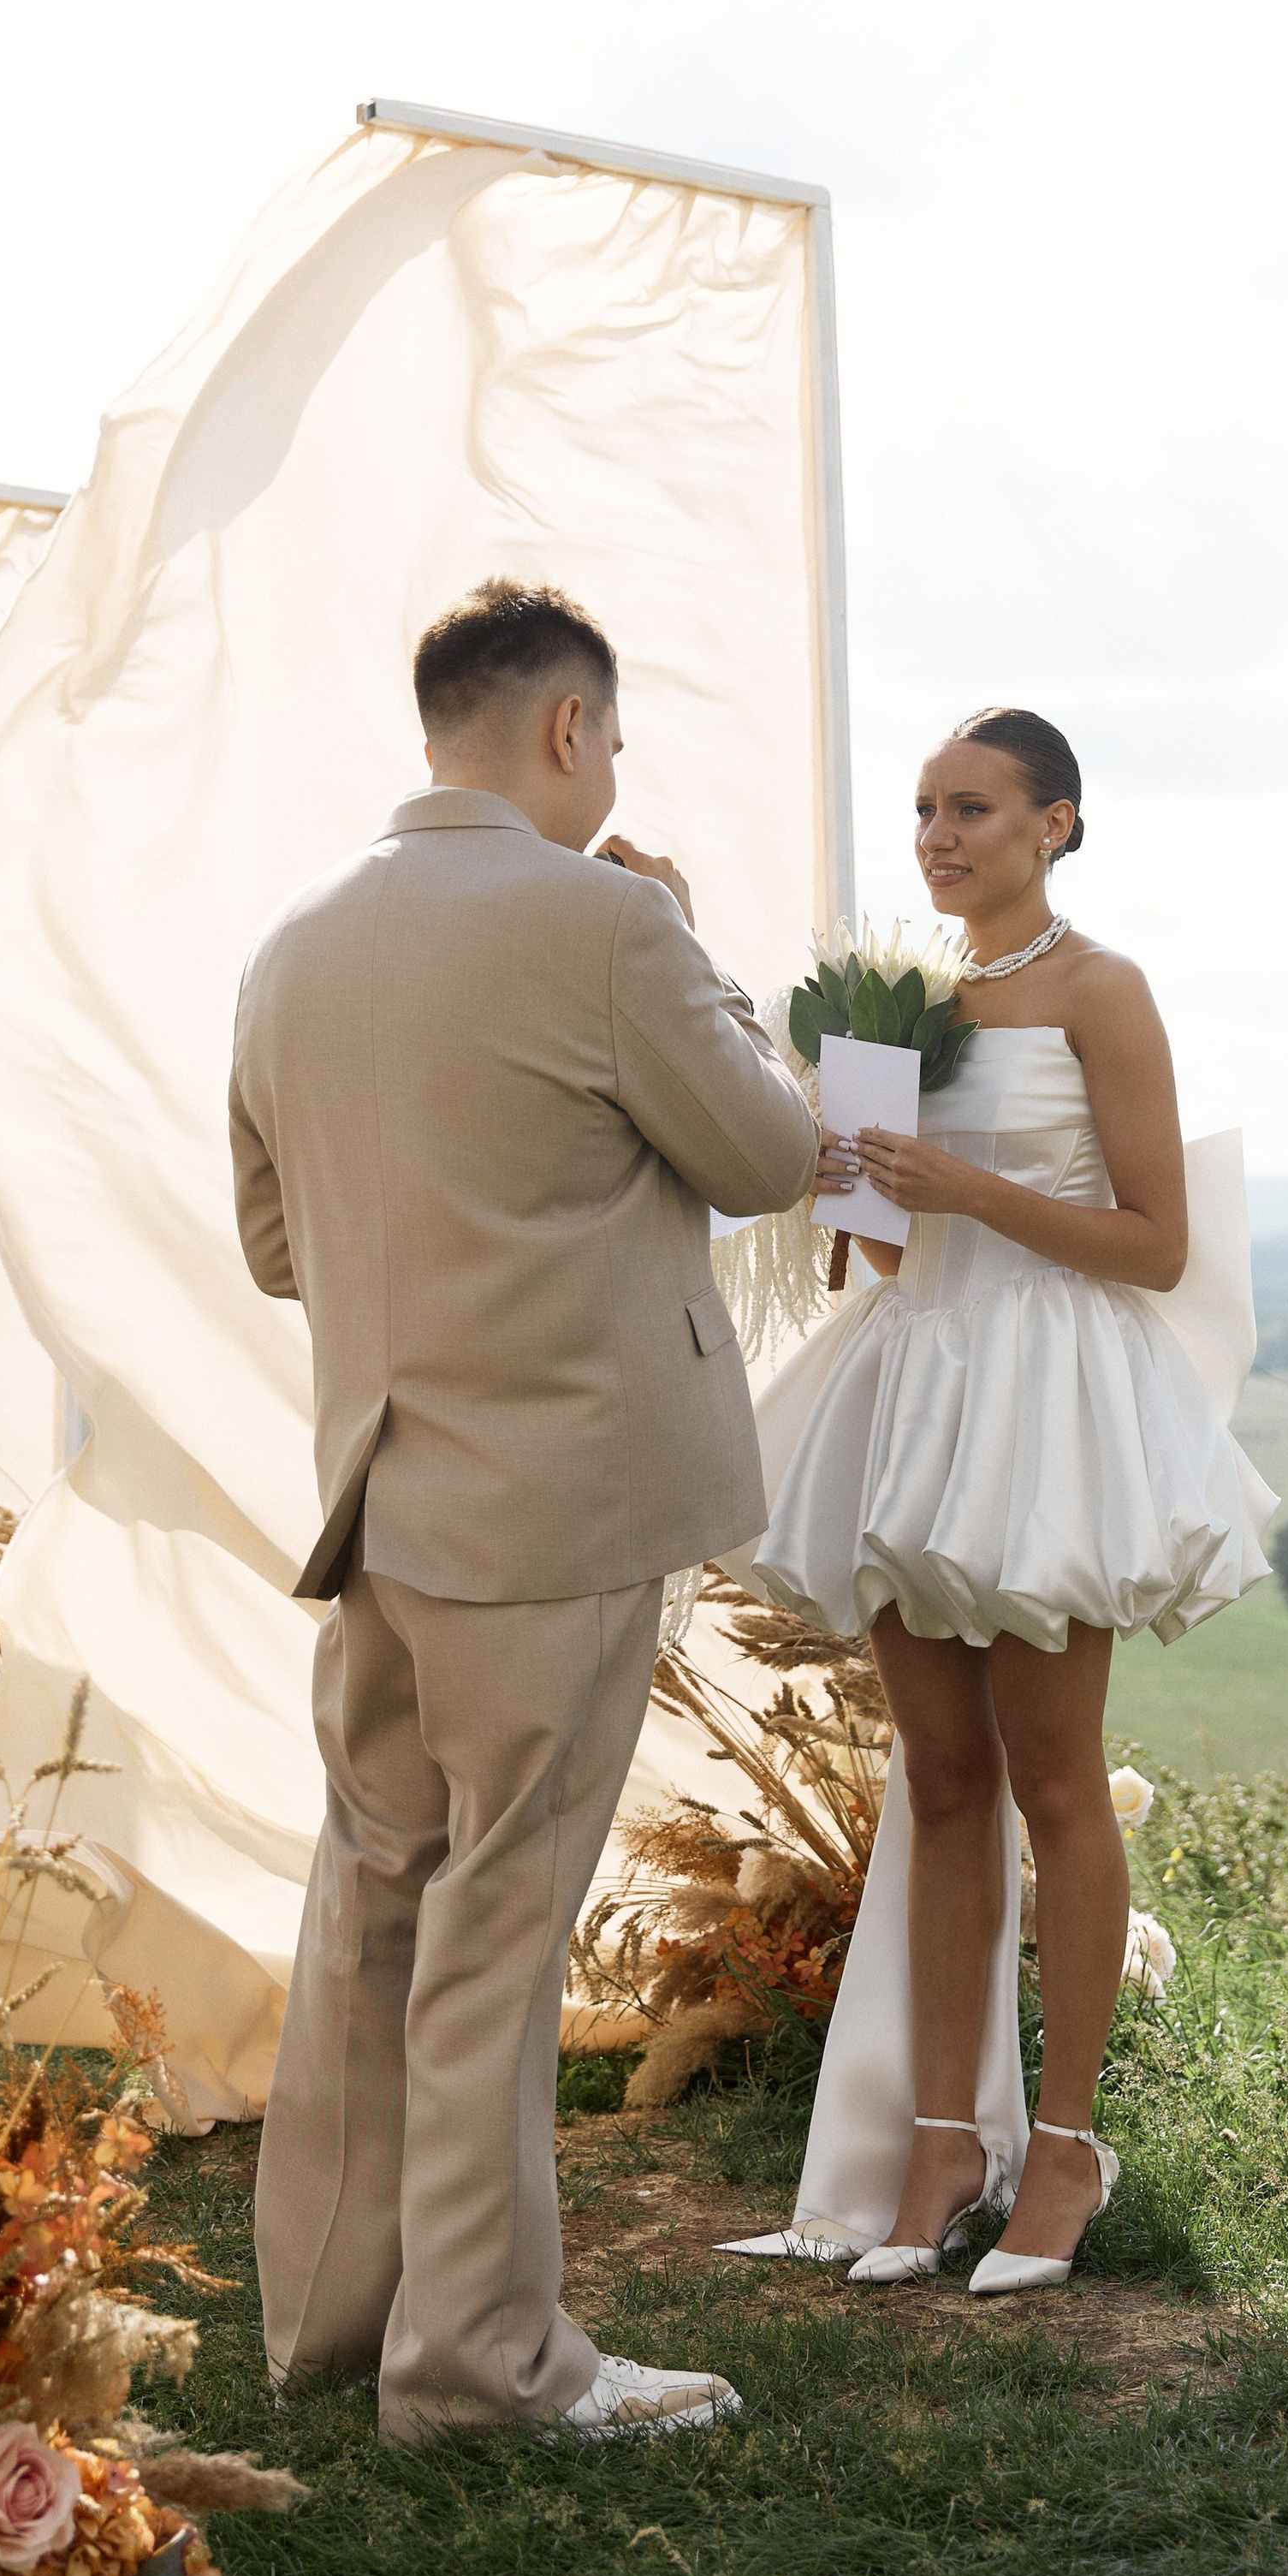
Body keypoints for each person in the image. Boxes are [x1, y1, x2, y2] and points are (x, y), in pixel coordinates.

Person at [231, 579, 819, 2440]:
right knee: (494, 1929)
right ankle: (481, 2366)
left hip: (376, 1503)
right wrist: (679, 939)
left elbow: (271, 1244)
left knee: (373, 1907)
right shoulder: (606, 922)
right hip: (548, 1510)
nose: (611, 776)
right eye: (614, 743)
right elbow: (770, 1149)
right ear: (569, 730)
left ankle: (330, 2323)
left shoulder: (292, 943)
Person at [727, 708, 1276, 2291]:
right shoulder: (903, 1007)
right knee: (944, 1778)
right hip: (921, 1383)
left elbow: (1157, 1241)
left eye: (972, 809)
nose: (938, 836)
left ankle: (1071, 2149)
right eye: (922, 811)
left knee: (1055, 1778)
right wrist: (858, 1200)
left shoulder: (1105, 990)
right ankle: (946, 2145)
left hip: (1049, 1399)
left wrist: (967, 1187)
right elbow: (891, 1242)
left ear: (1060, 824)